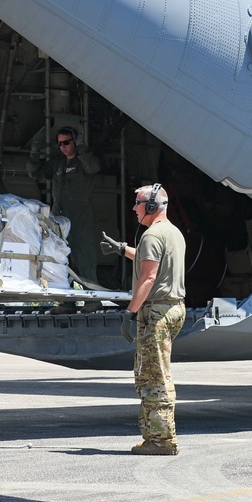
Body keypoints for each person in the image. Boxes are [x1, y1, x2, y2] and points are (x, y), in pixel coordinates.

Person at [100, 184, 186, 455]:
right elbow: (149, 260)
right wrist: (122, 248)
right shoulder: (172, 233)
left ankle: (162, 440)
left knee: (154, 376)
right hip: (173, 308)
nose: (134, 208)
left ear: (152, 207)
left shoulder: (151, 235)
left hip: (156, 312)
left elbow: (149, 277)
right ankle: (155, 437)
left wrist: (130, 311)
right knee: (152, 372)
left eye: (138, 203)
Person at [27, 126, 101, 285]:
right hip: (58, 215)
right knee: (58, 255)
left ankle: (92, 298)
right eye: (59, 144)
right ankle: (65, 299)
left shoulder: (84, 161)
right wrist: (34, 152)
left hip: (79, 215)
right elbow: (36, 174)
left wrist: (82, 148)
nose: (63, 147)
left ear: (75, 142)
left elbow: (94, 167)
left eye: (66, 142)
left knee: (84, 254)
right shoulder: (57, 163)